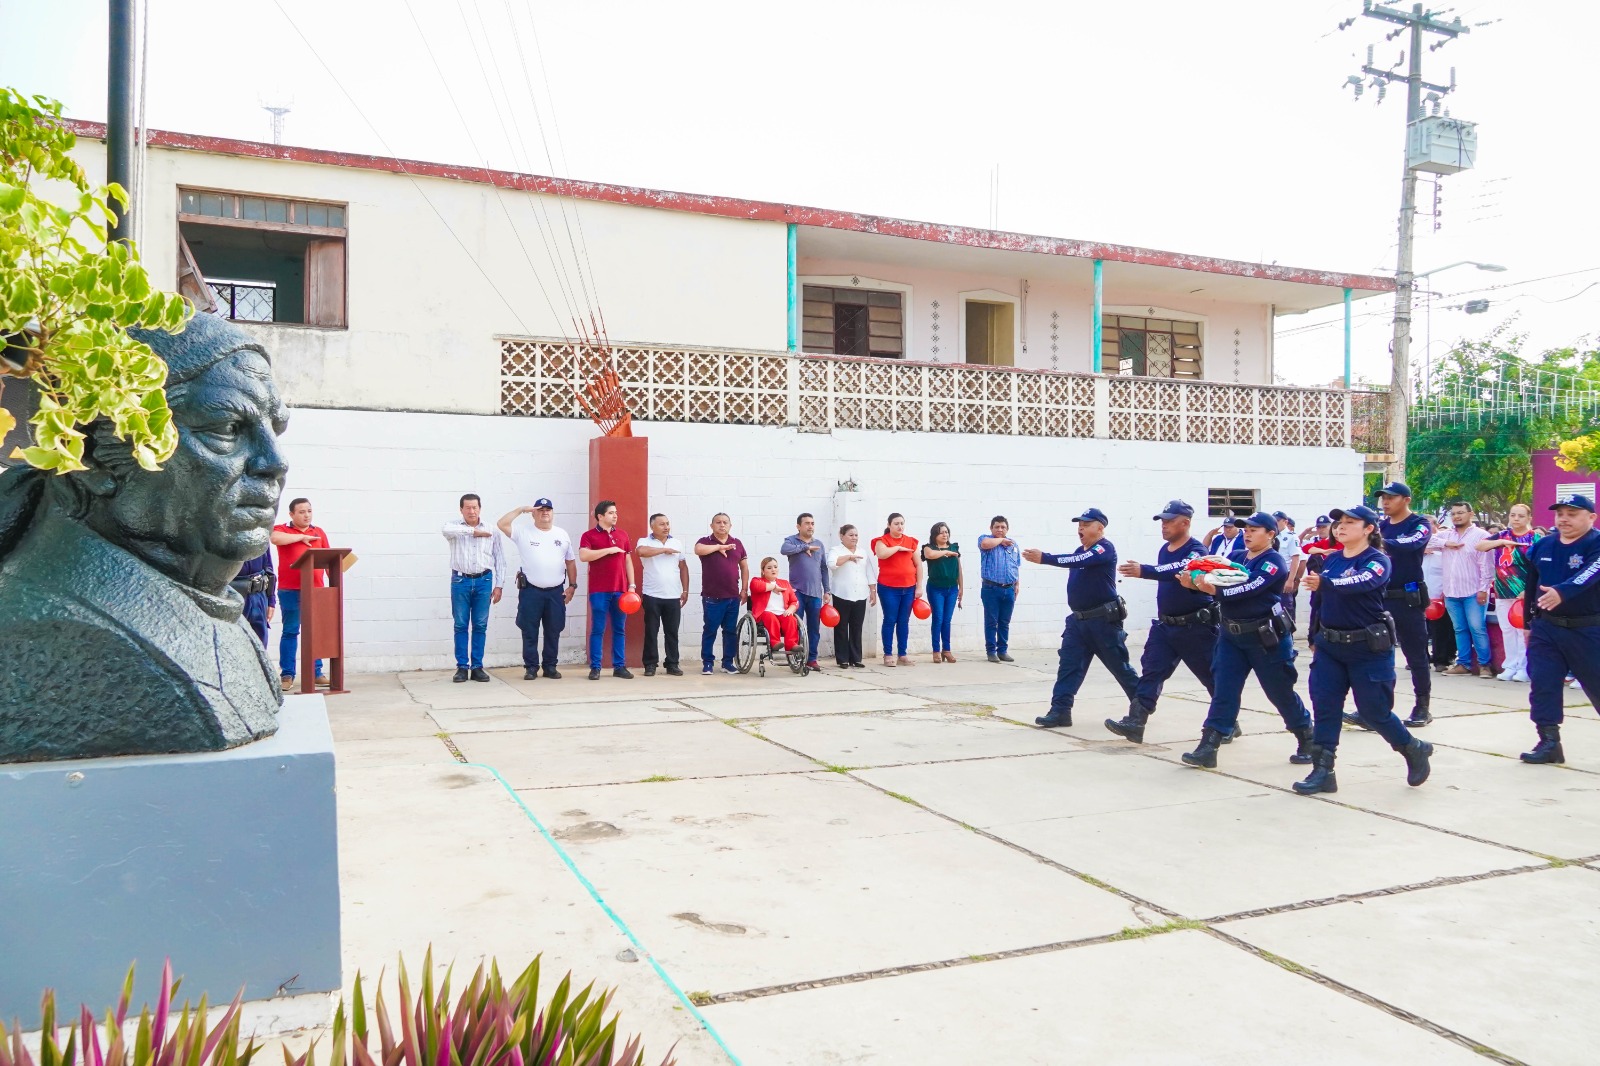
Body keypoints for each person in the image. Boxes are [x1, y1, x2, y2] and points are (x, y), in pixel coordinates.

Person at [0, 313, 285, 762]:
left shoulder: (207, 609)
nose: (274, 462)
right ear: (93, 459)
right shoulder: (51, 637)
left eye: (276, 430)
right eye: (226, 429)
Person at [1293, 505, 1433, 795]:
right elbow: (1322, 603)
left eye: (1350, 522)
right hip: (1330, 646)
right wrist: (1314, 636)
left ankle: (1412, 748)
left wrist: (1326, 582)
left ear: (1369, 529)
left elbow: (1361, 582)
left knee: (1374, 711)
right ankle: (1323, 771)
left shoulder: (1377, 560)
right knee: (1325, 707)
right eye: (1338, 523)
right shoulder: (1332, 562)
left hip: (1366, 648)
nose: (1340, 527)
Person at [1181, 512, 1314, 769]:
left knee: (1279, 692)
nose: (1248, 533)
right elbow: (1215, 575)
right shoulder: (1238, 556)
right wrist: (1194, 582)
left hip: (1266, 638)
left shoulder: (1273, 561)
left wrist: (1208, 587)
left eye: (1255, 529)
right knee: (1224, 690)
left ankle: (1306, 736)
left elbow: (1246, 588)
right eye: (1246, 529)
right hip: (1232, 636)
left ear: (1271, 534)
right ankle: (1209, 745)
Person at [1107, 500, 1221, 744]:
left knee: (1212, 678)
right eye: (1162, 521)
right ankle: (1135, 722)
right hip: (1166, 627)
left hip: (1195, 628)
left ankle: (1226, 722)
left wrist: (1145, 571)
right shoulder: (1164, 549)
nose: (1164, 526)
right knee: (1151, 672)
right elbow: (1167, 569)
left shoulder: (1197, 550)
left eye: (1169, 521)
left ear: (1186, 523)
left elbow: (1181, 568)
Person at [1023, 507, 1140, 728]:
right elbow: (1076, 559)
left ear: (1100, 527)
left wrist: (1045, 558)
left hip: (1103, 621)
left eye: (1086, 524)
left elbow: (1079, 560)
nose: (1081, 528)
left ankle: (1142, 707)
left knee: (1120, 668)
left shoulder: (1104, 549)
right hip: (1078, 622)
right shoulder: (1080, 550)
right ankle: (1060, 711)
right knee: (1068, 666)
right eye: (1079, 525)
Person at [1518, 493, 1600, 764]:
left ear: (1591, 517)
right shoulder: (1543, 545)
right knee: (1543, 683)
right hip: (1546, 628)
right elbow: (1532, 584)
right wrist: (1529, 622)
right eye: (1559, 513)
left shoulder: (1596, 543)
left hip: (1587, 628)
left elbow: (1590, 573)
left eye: (1572, 514)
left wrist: (1562, 592)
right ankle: (1549, 741)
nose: (1564, 519)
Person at [1347, 482, 1436, 729]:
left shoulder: (1418, 524)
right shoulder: (1382, 526)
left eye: (1391, 497)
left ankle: (1422, 706)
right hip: (1379, 598)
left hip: (1407, 599)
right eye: (1383, 498)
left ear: (1406, 499)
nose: (1385, 502)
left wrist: (1377, 541)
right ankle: (1375, 709)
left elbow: (1411, 543)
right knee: (1376, 654)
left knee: (1415, 653)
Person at [498, 497, 576, 681]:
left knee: (553, 630)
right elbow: (502, 523)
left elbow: (570, 561)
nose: (545, 512)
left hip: (556, 591)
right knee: (529, 630)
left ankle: (550, 666)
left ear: (553, 513)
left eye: (548, 509)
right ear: (534, 513)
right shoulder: (523, 532)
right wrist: (521, 509)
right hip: (531, 591)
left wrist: (572, 585)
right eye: (540, 509)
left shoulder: (562, 534)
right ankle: (531, 667)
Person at [441, 493, 506, 683]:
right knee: (460, 624)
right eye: (467, 508)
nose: (472, 511)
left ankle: (477, 666)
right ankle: (462, 667)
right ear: (461, 509)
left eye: (475, 507)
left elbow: (500, 560)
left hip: (484, 581)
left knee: (480, 625)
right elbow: (445, 530)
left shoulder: (492, 530)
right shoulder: (453, 528)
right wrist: (474, 533)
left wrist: (499, 585)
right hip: (460, 581)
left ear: (480, 508)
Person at [1431, 500, 1496, 676]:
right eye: (1453, 513)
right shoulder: (1446, 536)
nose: (1456, 516)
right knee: (1459, 629)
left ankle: (1484, 665)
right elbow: (1425, 542)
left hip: (1473, 591)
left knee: (1477, 628)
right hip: (1451, 592)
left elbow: (1486, 566)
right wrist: (1446, 544)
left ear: (1471, 514)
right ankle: (1464, 664)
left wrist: (1484, 589)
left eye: (1460, 512)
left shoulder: (1480, 535)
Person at [272, 497, 330, 690]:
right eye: (302, 512)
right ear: (292, 514)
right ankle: (287, 675)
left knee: (314, 632)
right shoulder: (283, 529)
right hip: (290, 590)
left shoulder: (319, 532)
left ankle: (316, 672)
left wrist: (336, 578)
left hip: (315, 590)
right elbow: (274, 538)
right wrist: (301, 537)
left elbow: (329, 558)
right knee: (290, 630)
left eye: (309, 511)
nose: (307, 515)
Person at [1477, 502, 1536, 682]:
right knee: (1507, 630)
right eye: (1513, 515)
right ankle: (1510, 665)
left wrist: (1529, 590)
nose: (1516, 519)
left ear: (1529, 518)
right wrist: (1501, 542)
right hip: (1503, 590)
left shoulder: (1534, 538)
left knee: (1521, 630)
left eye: (1520, 516)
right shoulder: (1503, 535)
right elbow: (1479, 546)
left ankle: (1523, 668)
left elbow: (1539, 567)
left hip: (1523, 592)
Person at [578, 500, 635, 680]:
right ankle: (595, 667)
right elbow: (584, 555)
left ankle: (620, 666)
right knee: (598, 629)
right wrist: (608, 550)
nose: (615, 515)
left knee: (619, 629)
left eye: (616, 512)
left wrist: (631, 586)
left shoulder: (623, 535)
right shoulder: (589, 536)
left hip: (620, 590)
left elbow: (627, 561)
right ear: (600, 516)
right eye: (611, 513)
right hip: (599, 590)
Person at [696, 513, 749, 675]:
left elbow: (744, 567)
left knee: (730, 631)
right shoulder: (706, 541)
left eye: (725, 522)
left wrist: (744, 590)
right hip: (712, 597)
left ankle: (727, 663)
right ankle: (707, 663)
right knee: (710, 630)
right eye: (718, 522)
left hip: (733, 596)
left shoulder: (737, 543)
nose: (722, 525)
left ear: (730, 526)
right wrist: (719, 547)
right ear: (712, 526)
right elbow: (698, 550)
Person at [638, 512, 690, 677]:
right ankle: (650, 664)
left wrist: (685, 590)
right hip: (652, 594)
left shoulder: (677, 543)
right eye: (662, 524)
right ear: (652, 526)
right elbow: (641, 552)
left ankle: (672, 663)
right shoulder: (644, 541)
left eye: (667, 523)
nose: (666, 527)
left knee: (672, 631)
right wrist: (663, 550)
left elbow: (683, 567)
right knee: (651, 631)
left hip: (673, 595)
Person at [781, 512, 832, 671]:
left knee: (813, 628)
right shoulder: (791, 540)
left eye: (812, 523)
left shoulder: (820, 544)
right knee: (796, 627)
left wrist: (827, 590)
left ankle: (811, 659)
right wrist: (805, 547)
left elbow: (823, 568)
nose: (810, 526)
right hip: (797, 593)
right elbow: (784, 549)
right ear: (798, 526)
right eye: (807, 523)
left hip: (816, 593)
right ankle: (795, 658)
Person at [873, 512, 923, 667]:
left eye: (902, 523)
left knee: (903, 621)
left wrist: (919, 585)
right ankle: (888, 654)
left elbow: (918, 564)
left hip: (908, 588)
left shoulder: (911, 541)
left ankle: (903, 654)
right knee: (890, 619)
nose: (900, 526)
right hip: (888, 588)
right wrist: (898, 547)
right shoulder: (882, 541)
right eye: (896, 523)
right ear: (889, 525)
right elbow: (882, 554)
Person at [828, 525, 877, 668]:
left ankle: (856, 658)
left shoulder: (862, 552)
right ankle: (842, 658)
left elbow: (869, 572)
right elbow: (832, 564)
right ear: (841, 536)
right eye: (850, 535)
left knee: (857, 627)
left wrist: (872, 590)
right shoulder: (836, 551)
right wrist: (849, 557)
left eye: (856, 535)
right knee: (841, 627)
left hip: (860, 594)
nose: (854, 538)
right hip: (842, 594)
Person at [978, 516, 1021, 663]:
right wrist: (1001, 540)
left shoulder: (1013, 545)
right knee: (991, 621)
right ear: (991, 528)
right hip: (991, 588)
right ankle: (991, 651)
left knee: (1004, 622)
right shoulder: (985, 539)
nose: (1000, 529)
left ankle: (1002, 650)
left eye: (1003, 527)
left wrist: (1017, 584)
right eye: (997, 527)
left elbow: (1016, 565)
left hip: (1008, 589)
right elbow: (985, 544)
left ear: (1007, 529)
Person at [921, 523, 963, 663]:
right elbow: (930, 555)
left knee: (947, 620)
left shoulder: (954, 548)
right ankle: (936, 650)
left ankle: (947, 650)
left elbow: (959, 569)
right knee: (938, 618)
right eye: (941, 533)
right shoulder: (929, 548)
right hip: (936, 588)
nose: (945, 535)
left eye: (946, 532)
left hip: (951, 588)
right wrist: (946, 552)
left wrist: (961, 588)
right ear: (934, 535)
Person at [1421, 519, 1455, 671]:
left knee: (1440, 629)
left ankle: (1441, 659)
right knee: (1419, 630)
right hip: (1420, 594)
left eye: (1429, 525)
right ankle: (1422, 658)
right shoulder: (1415, 546)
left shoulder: (1445, 545)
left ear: (1436, 526)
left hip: (1440, 594)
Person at [749, 556, 801, 655]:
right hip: (765, 613)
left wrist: (791, 609)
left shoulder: (785, 583)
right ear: (763, 571)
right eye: (769, 568)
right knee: (770, 617)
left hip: (782, 613)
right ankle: (774, 642)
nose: (773, 569)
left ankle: (791, 644)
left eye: (775, 567)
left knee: (791, 619)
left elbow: (794, 601)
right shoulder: (757, 580)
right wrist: (774, 587)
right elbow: (757, 587)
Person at [1299, 516, 1336, 640]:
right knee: (1315, 612)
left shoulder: (1337, 541)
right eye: (1319, 527)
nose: (1321, 530)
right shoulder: (1317, 541)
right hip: (1316, 586)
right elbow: (1304, 547)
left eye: (1324, 527)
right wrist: (1322, 551)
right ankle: (1313, 639)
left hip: (1334, 586)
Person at [230, 548, 276, 647]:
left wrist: (271, 598)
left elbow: (268, 564)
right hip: (234, 593)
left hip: (259, 595)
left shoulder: (260, 532)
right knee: (233, 644)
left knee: (260, 645)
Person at [1272, 511, 1303, 624]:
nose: (1275, 523)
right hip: (1271, 575)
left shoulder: (1291, 537)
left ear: (1285, 522)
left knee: (1285, 607)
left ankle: (1287, 635)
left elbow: (1295, 558)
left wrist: (1291, 580)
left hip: (1284, 575)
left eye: (1277, 521)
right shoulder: (1271, 535)